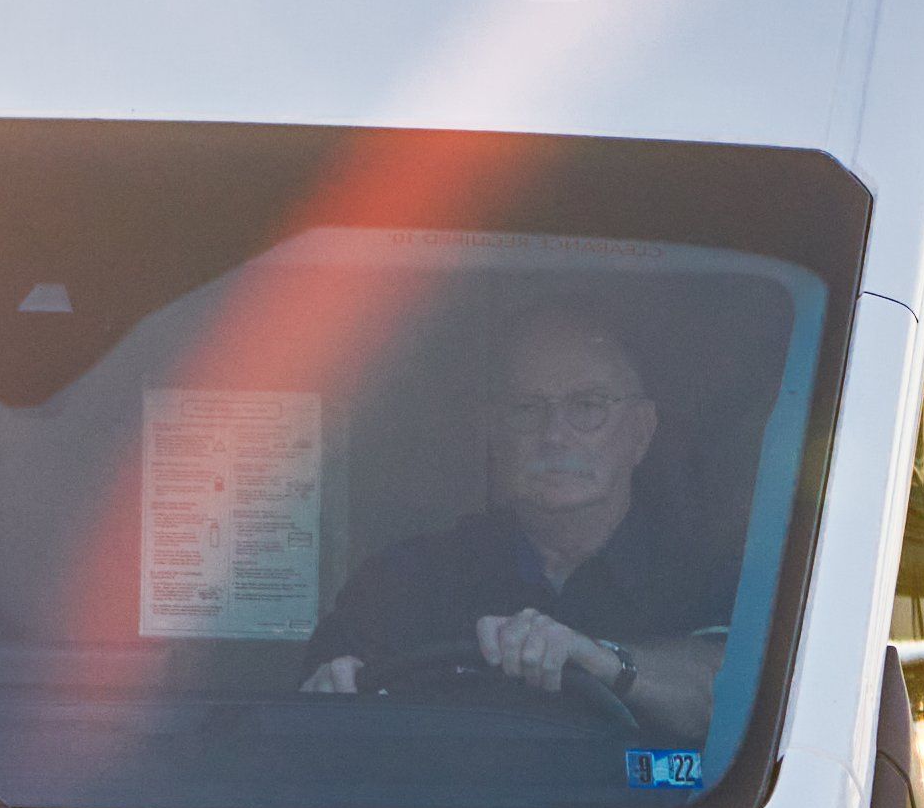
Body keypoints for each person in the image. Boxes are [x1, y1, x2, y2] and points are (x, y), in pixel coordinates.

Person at [306, 306, 730, 732]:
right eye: (527, 409)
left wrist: (600, 659)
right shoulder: (405, 580)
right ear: (496, 436)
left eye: (587, 405)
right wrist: (328, 690)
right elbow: (307, 711)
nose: (554, 435)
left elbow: (736, 697)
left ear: (641, 431)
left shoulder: (712, 573)